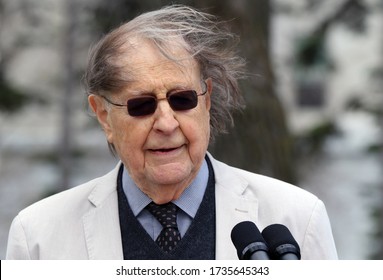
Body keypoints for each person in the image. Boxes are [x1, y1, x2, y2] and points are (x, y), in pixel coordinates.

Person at [6, 4, 338, 260]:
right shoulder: (38, 234)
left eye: (182, 100)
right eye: (141, 105)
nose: (167, 123)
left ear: (206, 101)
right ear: (104, 115)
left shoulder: (297, 217)